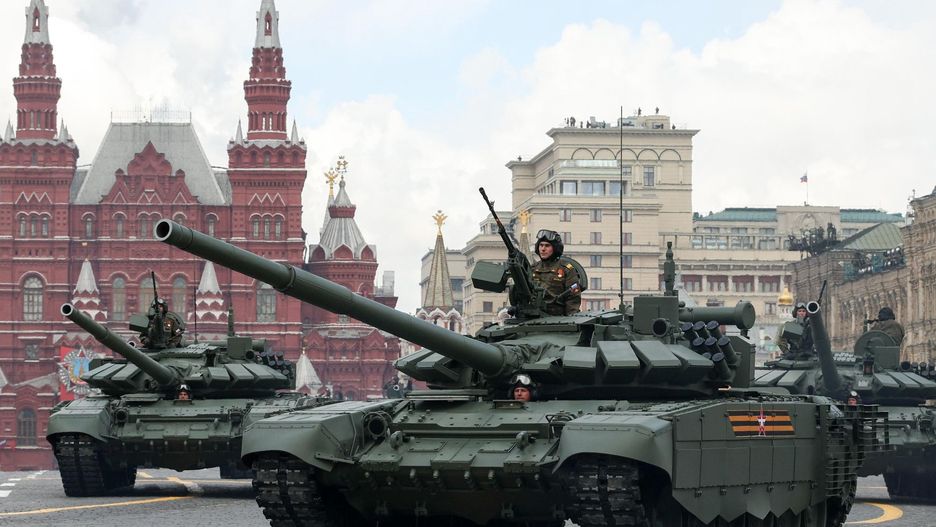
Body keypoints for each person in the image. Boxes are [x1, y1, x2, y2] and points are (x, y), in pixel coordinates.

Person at [531, 230, 581, 316]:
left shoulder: (566, 269)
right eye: (541, 245)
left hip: (558, 317)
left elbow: (573, 298)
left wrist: (571, 318)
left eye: (547, 246)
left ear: (555, 248)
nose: (543, 249)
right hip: (533, 316)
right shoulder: (533, 269)